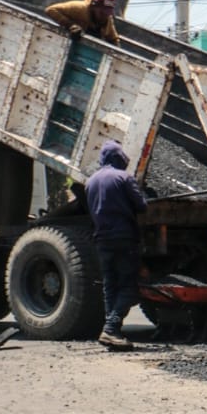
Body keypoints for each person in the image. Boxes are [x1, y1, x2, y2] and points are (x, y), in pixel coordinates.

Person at [85, 140, 147, 349]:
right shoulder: (124, 177)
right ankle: (111, 328)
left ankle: (111, 333)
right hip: (124, 237)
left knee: (110, 286)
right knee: (130, 286)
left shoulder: (90, 181)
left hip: (102, 239)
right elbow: (141, 206)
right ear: (117, 157)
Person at [45, 0, 120, 44]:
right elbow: (51, 10)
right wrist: (71, 25)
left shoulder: (107, 18)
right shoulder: (79, 8)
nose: (104, 16)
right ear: (93, 6)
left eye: (107, 13)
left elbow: (113, 39)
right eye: (102, 13)